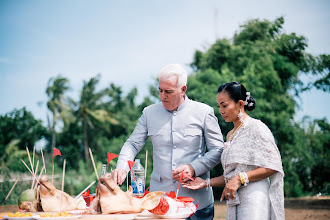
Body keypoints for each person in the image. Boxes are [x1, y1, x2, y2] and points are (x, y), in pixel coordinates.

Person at [111, 64, 224, 220]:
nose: (163, 96)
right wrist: (122, 167)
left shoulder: (204, 112)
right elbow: (133, 144)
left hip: (197, 204)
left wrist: (193, 168)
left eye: (168, 92)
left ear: (183, 89)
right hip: (158, 202)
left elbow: (218, 150)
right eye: (160, 90)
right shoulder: (148, 113)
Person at [183, 82, 285, 220]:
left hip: (254, 199)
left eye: (224, 105)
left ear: (240, 104)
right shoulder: (230, 135)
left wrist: (240, 178)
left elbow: (273, 166)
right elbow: (231, 176)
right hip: (233, 200)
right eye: (219, 106)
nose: (221, 111)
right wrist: (206, 183)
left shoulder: (257, 128)